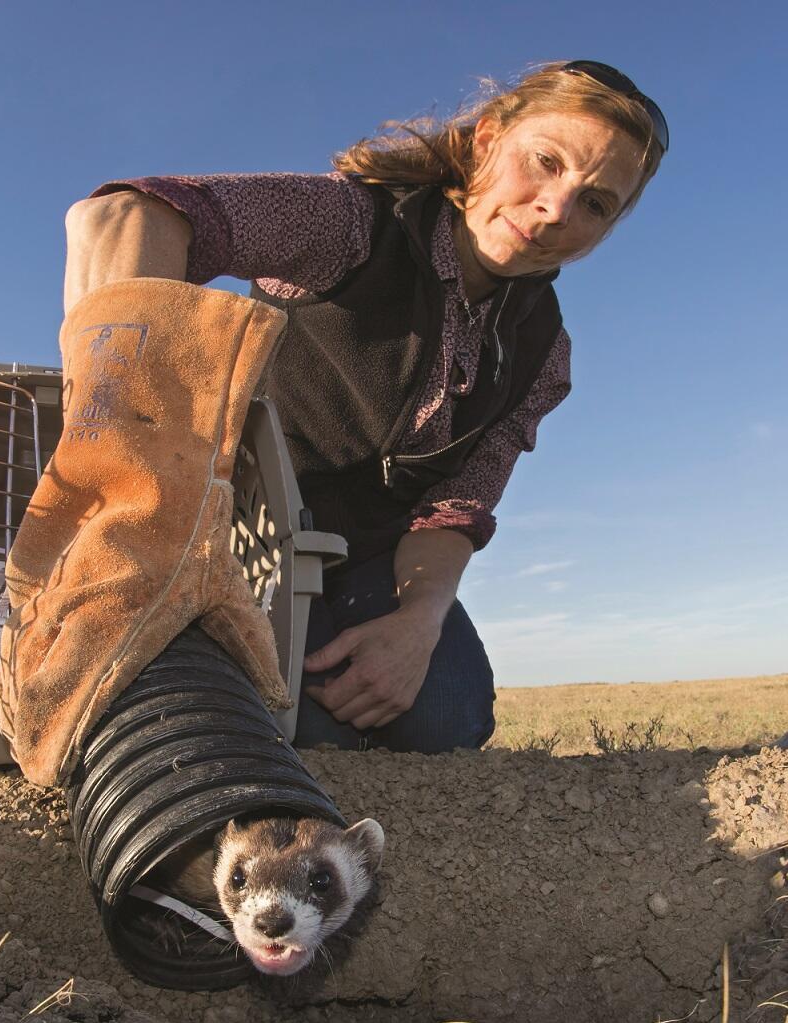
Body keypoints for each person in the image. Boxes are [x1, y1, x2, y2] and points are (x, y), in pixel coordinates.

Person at [58, 60, 665, 755]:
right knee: (289, 719)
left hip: (359, 558)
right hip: (224, 530)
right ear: (487, 140)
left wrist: (419, 621)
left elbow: (457, 508)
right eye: (546, 161)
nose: (556, 210)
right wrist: (121, 460)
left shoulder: (542, 351)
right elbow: (125, 214)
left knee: (447, 710)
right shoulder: (354, 224)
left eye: (596, 204)